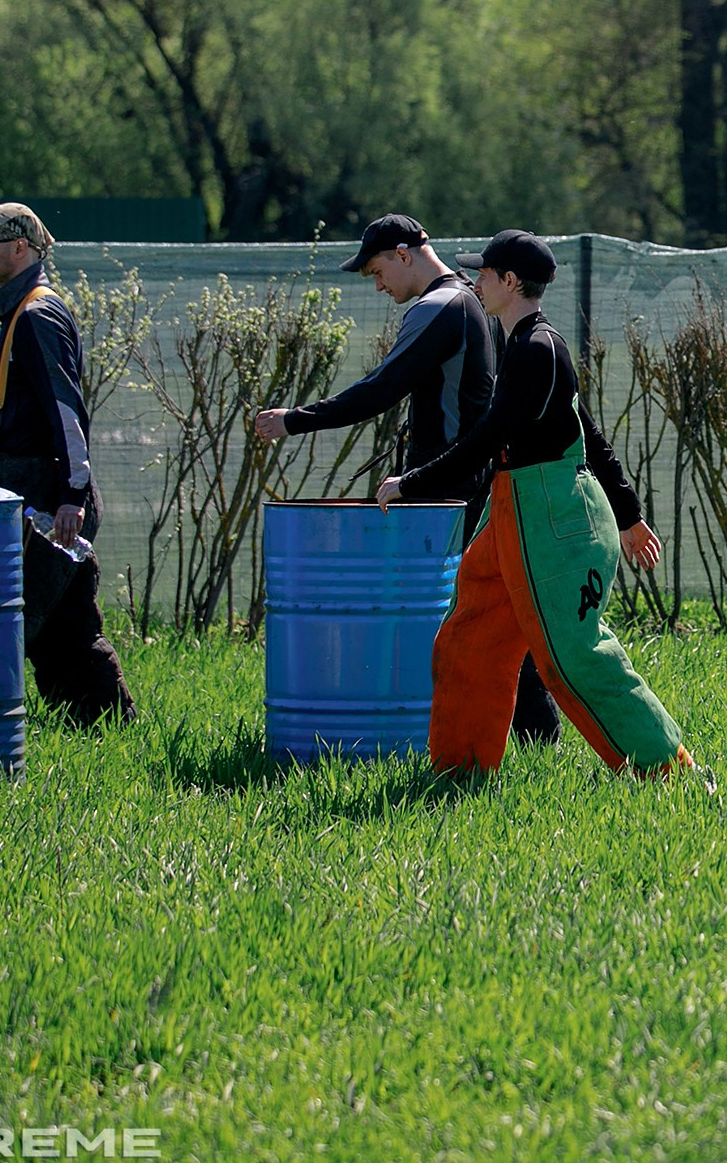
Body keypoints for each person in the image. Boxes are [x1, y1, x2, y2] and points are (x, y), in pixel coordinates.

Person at [383, 231, 694, 778]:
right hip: (512, 507)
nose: (474, 280)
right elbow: (584, 431)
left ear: (509, 282)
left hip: (550, 516)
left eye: (484, 273)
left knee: (571, 657)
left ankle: (668, 769)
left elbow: (488, 436)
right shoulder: (524, 341)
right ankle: (459, 769)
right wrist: (627, 513)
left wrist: (412, 482)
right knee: (470, 638)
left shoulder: (536, 348)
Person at [251, 213, 561, 744]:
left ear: (403, 254)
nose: (377, 285)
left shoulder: (439, 306)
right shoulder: (474, 299)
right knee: (492, 609)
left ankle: (519, 733)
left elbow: (380, 389)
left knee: (477, 613)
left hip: (448, 488)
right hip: (472, 478)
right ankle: (533, 736)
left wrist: (294, 420)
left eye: (377, 271)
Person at [0, 202, 134, 725]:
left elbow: (64, 408)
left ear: (20, 248)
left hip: (52, 496)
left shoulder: (35, 315)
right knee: (64, 627)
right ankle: (107, 730)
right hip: (38, 491)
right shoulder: (20, 313)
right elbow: (0, 411)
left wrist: (72, 495)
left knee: (25, 623)